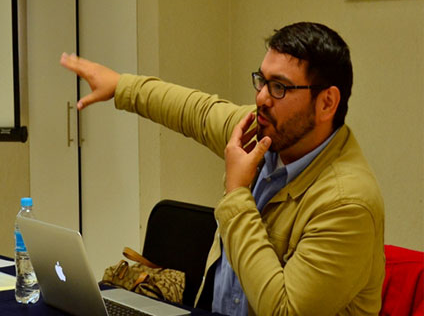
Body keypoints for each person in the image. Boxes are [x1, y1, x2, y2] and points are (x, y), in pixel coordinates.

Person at [60, 22, 385, 315]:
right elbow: (197, 112)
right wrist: (121, 86)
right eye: (261, 81)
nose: (261, 98)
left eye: (279, 87)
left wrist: (237, 193)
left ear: (327, 103)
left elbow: (284, 310)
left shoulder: (347, 204)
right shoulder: (266, 132)